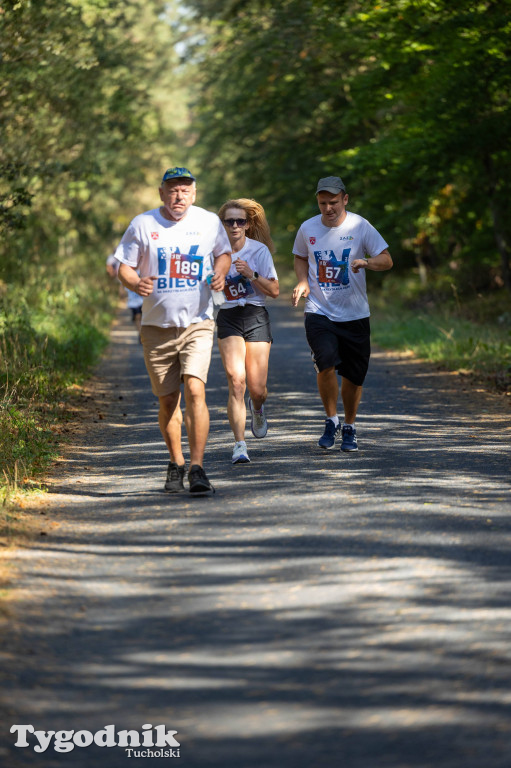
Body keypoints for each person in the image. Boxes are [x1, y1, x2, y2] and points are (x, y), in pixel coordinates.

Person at [114, 167, 231, 495]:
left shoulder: (208, 222)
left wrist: (220, 274)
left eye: (185, 190)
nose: (179, 196)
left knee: (195, 390)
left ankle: (197, 468)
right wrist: (136, 282)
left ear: (194, 194)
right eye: (173, 190)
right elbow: (123, 264)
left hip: (198, 321)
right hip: (155, 327)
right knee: (168, 399)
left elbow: (223, 254)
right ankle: (176, 461)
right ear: (162, 193)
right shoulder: (143, 224)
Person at [292, 176, 392, 452]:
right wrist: (302, 281)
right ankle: (330, 419)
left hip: (355, 314)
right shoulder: (307, 228)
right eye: (323, 203)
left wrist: (367, 262)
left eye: (333, 202)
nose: (328, 208)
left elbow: (387, 260)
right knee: (325, 362)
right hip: (319, 310)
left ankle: (349, 425)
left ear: (345, 199)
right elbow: (300, 256)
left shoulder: (360, 226)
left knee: (354, 376)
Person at [216, 198, 279, 464]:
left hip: (255, 315)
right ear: (223, 225)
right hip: (229, 316)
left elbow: (275, 291)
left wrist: (251, 274)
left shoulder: (259, 250)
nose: (234, 226)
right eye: (229, 221)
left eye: (239, 221)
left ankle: (258, 407)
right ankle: (239, 444)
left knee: (256, 388)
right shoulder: (215, 252)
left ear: (248, 224)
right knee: (236, 380)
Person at [106, 253, 143, 337]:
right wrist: (121, 293)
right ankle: (140, 333)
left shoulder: (141, 272)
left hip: (142, 300)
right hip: (133, 301)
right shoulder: (127, 273)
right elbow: (123, 284)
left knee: (141, 317)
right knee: (137, 317)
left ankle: (142, 333)